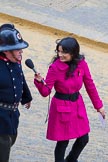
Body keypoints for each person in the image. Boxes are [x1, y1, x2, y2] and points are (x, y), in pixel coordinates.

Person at [34, 37, 105, 162]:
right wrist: (39, 82)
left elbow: (90, 85)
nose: (60, 55)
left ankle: (71, 159)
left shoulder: (82, 64)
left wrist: (99, 106)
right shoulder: (55, 68)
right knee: (63, 142)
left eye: (63, 52)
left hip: (77, 105)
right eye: (58, 51)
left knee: (84, 138)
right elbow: (46, 92)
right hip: (61, 107)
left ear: (73, 53)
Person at [0, 23, 32, 162]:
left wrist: (26, 96)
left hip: (13, 114)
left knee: (11, 140)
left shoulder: (16, 61)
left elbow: (20, 78)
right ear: (6, 50)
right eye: (17, 49)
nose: (21, 52)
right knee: (4, 148)